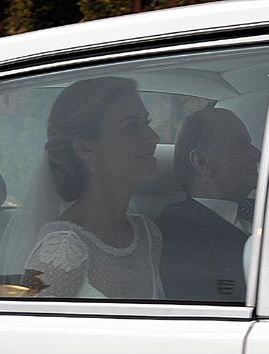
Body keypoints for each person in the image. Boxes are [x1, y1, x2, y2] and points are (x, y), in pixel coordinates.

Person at [23, 77, 164, 299]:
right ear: (87, 149)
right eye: (131, 126)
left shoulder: (148, 234)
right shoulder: (61, 252)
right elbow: (28, 330)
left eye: (146, 122)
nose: (153, 137)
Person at [156, 107, 260, 302]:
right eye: (240, 144)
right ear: (201, 162)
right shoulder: (177, 232)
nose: (257, 154)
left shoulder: (268, 209)